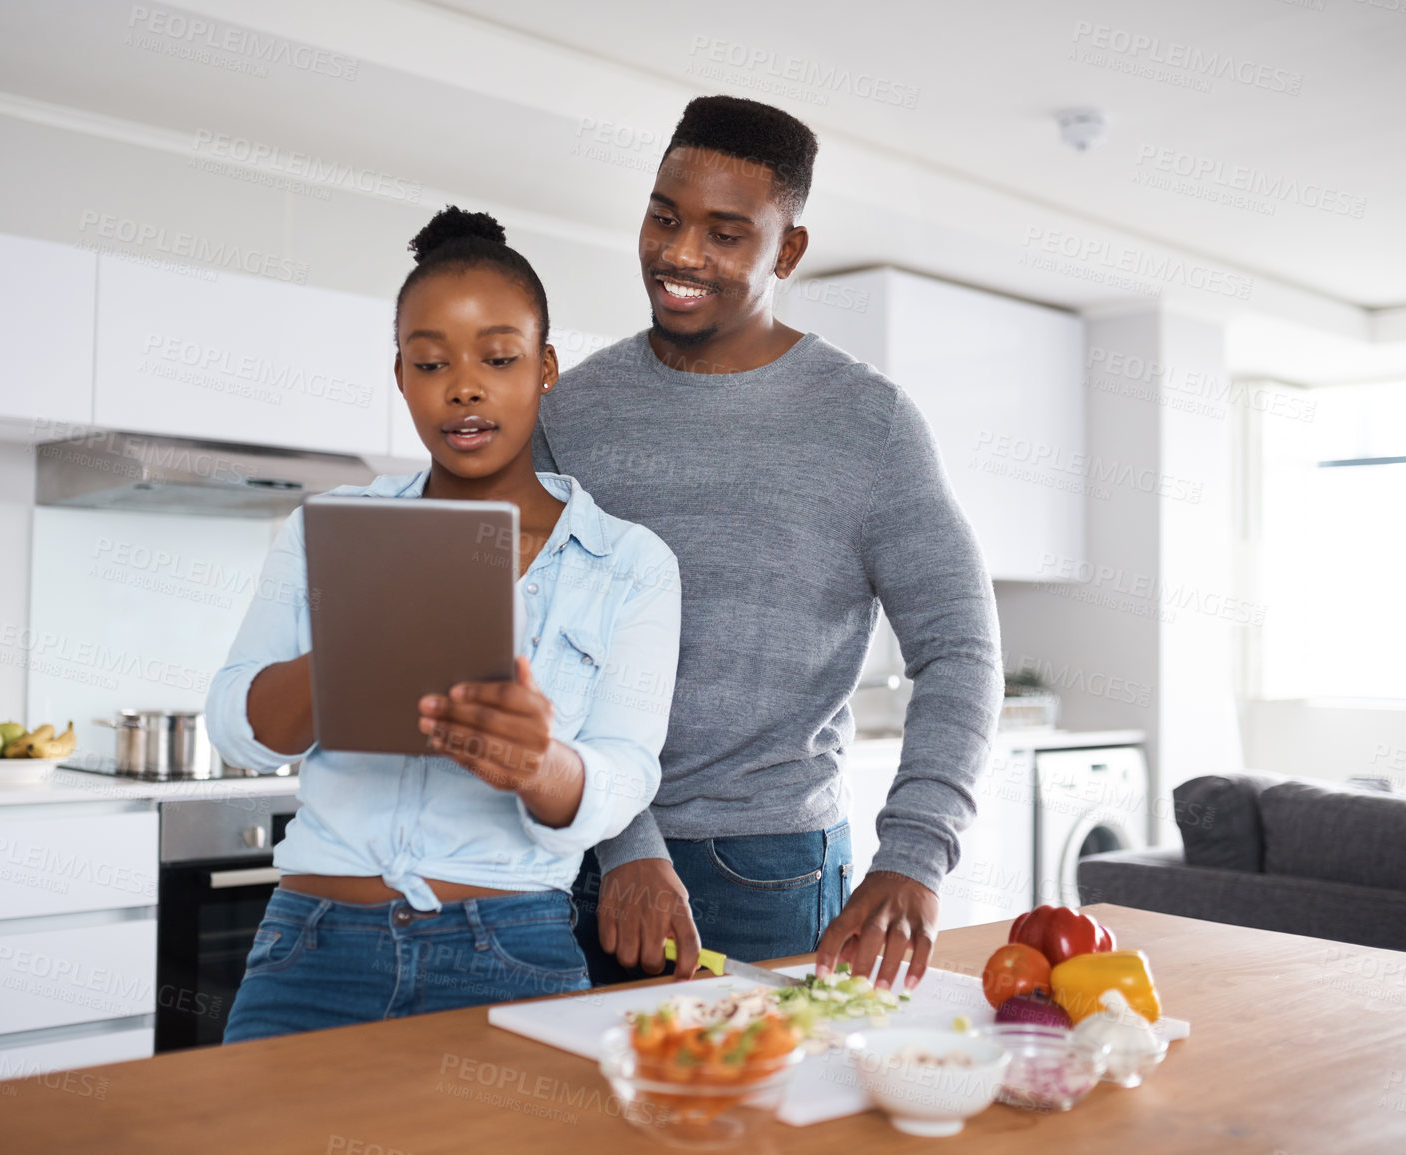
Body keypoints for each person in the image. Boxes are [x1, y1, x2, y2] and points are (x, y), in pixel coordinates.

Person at [534, 95, 1002, 991]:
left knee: (769, 1123)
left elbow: (960, 647)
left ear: (786, 249)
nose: (679, 254)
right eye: (664, 218)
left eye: (724, 233)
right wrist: (626, 840)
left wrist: (915, 853)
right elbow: (545, 641)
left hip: (768, 866)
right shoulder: (571, 414)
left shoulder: (867, 424)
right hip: (578, 845)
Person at [208, 206, 681, 1040]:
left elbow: (626, 771)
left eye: (498, 358)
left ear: (544, 369)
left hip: (511, 952)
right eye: (431, 362)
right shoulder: (328, 528)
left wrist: (541, 766)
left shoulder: (630, 563)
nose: (463, 386)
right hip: (309, 948)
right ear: (401, 377)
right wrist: (354, 652)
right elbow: (236, 726)